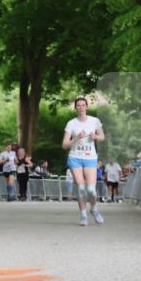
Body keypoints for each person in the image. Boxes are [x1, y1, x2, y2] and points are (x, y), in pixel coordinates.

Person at [62, 96, 105, 226]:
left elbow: (102, 136)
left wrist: (95, 136)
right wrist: (76, 138)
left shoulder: (95, 121)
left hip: (90, 157)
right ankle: (83, 215)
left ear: (87, 107)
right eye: (78, 105)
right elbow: (64, 145)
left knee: (91, 189)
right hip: (75, 157)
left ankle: (94, 209)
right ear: (75, 107)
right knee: (81, 188)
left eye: (83, 105)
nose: (81, 107)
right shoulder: (71, 123)